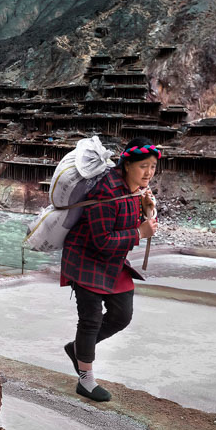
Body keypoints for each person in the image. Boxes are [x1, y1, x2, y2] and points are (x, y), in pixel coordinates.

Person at [61, 137, 160, 402]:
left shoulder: (135, 189)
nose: (148, 172)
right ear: (127, 165)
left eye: (152, 166)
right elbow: (101, 240)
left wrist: (146, 213)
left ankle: (78, 350)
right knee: (91, 320)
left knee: (121, 315)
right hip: (86, 260)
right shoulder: (107, 191)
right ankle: (86, 379)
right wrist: (140, 231)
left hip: (112, 261)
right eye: (143, 166)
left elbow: (128, 223)